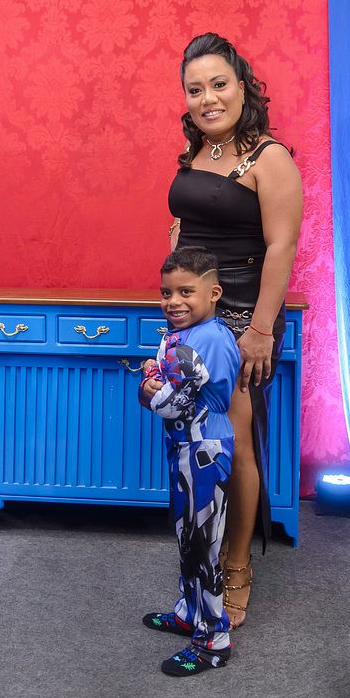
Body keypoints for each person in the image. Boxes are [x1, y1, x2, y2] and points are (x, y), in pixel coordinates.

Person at [142, 33, 303, 629]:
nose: (207, 98)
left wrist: (259, 330)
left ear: (242, 87)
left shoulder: (269, 158)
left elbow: (282, 247)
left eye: (218, 84)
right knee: (194, 445)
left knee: (232, 443)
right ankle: (198, 571)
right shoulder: (197, 153)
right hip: (195, 312)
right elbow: (189, 219)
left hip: (242, 316)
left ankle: (236, 569)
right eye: (195, 89)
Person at [138, 246, 240, 676]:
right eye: (166, 293)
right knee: (187, 537)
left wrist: (149, 381)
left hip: (204, 450)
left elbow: (168, 402)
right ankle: (189, 612)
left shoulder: (209, 338)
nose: (173, 301)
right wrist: (155, 380)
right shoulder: (185, 334)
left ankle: (213, 639)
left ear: (213, 293)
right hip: (184, 447)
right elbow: (167, 386)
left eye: (185, 292)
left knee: (203, 546)